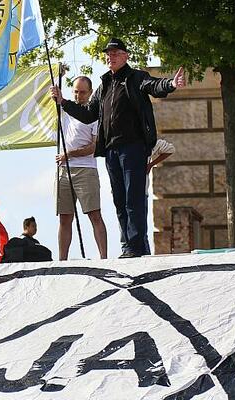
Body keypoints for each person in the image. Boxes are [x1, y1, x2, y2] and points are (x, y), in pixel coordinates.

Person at [50, 38, 185, 258]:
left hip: (133, 148)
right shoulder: (104, 85)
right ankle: (128, 246)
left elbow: (154, 86)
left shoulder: (136, 77)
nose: (110, 57)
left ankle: (136, 247)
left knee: (134, 199)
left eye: (115, 53)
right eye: (108, 54)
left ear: (125, 56)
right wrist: (64, 103)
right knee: (120, 200)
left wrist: (171, 84)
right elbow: (89, 114)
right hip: (111, 151)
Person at [50, 76, 108, 260]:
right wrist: (56, 84)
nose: (78, 95)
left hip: (85, 169)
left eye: (82, 92)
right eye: (75, 91)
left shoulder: (94, 115)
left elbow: (94, 147)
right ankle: (62, 260)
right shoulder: (65, 109)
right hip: (63, 170)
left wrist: (70, 154)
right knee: (65, 217)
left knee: (94, 214)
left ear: (90, 93)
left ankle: (104, 258)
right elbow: (52, 100)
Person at [142, 138, 175, 254]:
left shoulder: (147, 141)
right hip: (134, 191)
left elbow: (170, 149)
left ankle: (142, 253)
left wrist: (150, 165)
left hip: (141, 191)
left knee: (140, 228)